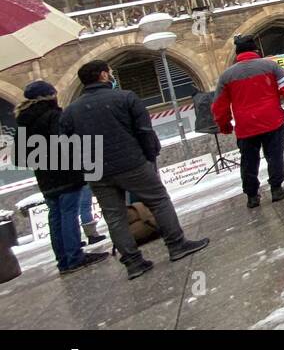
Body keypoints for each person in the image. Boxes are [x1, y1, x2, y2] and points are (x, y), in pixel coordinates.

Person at [61, 61, 209, 279]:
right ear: (103, 75)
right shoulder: (125, 97)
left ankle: (133, 263)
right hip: (131, 163)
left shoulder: (70, 112)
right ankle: (177, 245)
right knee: (158, 201)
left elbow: (67, 146)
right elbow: (144, 131)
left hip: (97, 171)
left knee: (114, 217)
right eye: (110, 73)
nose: (112, 76)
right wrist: (149, 158)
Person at [15, 81, 109, 275]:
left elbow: (19, 157)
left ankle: (63, 261)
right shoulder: (54, 116)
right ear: (49, 96)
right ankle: (75, 256)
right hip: (65, 174)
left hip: (45, 178)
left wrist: (42, 160)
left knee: (55, 217)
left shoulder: (23, 122)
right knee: (69, 214)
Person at [213, 34, 284, 208]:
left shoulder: (227, 76)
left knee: (248, 161)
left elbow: (219, 105)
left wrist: (224, 124)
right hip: (271, 120)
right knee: (274, 156)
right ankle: (276, 189)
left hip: (246, 126)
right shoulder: (271, 66)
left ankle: (252, 196)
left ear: (237, 53)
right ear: (256, 50)